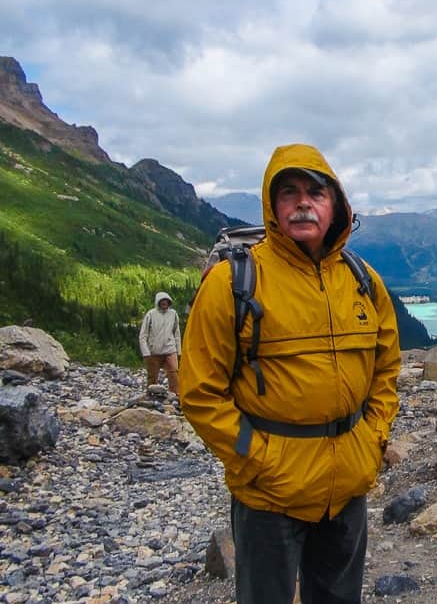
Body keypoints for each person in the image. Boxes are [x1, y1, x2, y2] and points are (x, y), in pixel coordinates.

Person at [179, 143, 400, 604]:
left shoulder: (363, 281)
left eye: (316, 193)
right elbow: (200, 392)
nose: (303, 202)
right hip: (270, 493)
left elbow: (385, 369)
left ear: (335, 205)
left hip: (347, 485)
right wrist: (256, 458)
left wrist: (373, 439)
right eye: (289, 192)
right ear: (272, 205)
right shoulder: (231, 283)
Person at [138, 291, 181, 395]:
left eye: (166, 301)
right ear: (158, 302)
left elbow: (176, 333)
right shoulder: (151, 314)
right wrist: (146, 352)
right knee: (152, 376)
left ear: (169, 302)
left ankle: (175, 395)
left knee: (174, 373)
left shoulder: (173, 314)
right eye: (162, 301)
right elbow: (143, 335)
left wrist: (179, 351)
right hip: (154, 351)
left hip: (170, 349)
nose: (164, 303)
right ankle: (151, 395)